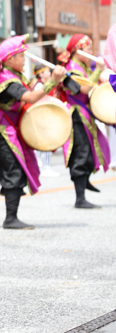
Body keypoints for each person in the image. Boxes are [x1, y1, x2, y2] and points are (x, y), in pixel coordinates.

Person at [0, 35, 67, 230]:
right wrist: (52, 81)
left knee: (16, 171)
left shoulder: (13, 77)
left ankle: (12, 216)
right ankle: (10, 218)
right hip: (3, 134)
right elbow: (30, 97)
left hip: (10, 131)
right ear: (9, 59)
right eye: (21, 56)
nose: (25, 60)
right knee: (13, 171)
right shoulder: (8, 81)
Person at [57, 34, 110, 208]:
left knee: (88, 152)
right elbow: (84, 88)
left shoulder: (80, 67)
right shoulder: (71, 69)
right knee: (80, 153)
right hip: (76, 116)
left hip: (84, 115)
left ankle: (84, 183)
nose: (90, 52)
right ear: (78, 51)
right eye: (87, 49)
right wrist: (98, 70)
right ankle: (80, 198)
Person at [29, 63, 59, 178]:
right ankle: (46, 168)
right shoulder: (39, 86)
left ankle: (42, 165)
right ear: (41, 73)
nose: (49, 73)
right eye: (46, 71)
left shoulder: (40, 84)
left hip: (43, 116)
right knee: (47, 141)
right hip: (42, 116)